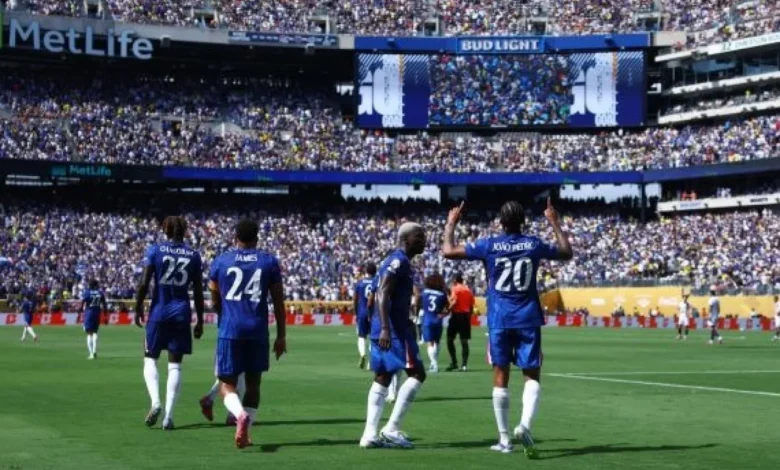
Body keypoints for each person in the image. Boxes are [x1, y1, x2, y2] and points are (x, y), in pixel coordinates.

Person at [443, 199, 572, 458]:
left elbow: (448, 250)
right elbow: (566, 252)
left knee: (500, 375)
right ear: (523, 221)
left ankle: (504, 440)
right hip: (528, 317)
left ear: (500, 222)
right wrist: (554, 222)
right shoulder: (533, 244)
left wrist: (450, 224)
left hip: (499, 318)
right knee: (532, 375)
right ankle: (524, 425)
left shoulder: (489, 245)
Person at [208, 219, 287, 449]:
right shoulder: (268, 261)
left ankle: (239, 414)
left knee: (227, 385)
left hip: (230, 328)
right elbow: (278, 302)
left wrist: (222, 313)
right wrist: (281, 335)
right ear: (257, 237)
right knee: (253, 385)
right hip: (257, 330)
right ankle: (246, 432)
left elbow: (214, 295)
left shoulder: (221, 261)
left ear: (235, 237)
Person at [359, 222, 427, 449]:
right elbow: (382, 292)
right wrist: (386, 328)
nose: (424, 240)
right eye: (419, 236)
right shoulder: (399, 261)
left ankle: (369, 434)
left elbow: (377, 293)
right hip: (394, 330)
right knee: (417, 373)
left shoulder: (393, 260)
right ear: (406, 240)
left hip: (386, 326)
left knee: (383, 376)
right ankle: (391, 428)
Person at [134, 216, 205, 431]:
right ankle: (169, 417)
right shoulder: (194, 255)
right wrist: (200, 319)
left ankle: (156, 402)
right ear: (185, 230)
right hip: (181, 313)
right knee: (175, 365)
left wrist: (138, 306)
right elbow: (198, 290)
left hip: (159, 311)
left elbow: (144, 282)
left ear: (165, 230)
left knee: (150, 359)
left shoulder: (155, 250)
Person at [420, 273, 449, 373]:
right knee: (437, 342)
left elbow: (419, 303)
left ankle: (434, 364)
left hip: (427, 320)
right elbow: (447, 307)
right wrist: (443, 314)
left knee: (430, 343)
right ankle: (434, 363)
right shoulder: (442, 294)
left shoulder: (424, 293)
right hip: (438, 320)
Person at [446, 272, 475, 372]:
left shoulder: (455, 289)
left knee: (450, 339)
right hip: (465, 317)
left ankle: (454, 362)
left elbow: (454, 301)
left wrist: (447, 310)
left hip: (456, 316)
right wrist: (468, 316)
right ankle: (464, 365)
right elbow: (471, 306)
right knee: (464, 341)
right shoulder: (468, 290)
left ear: (455, 280)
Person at [354, 263, 377, 370]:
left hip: (362, 312)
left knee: (361, 336)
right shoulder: (377, 282)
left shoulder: (360, 283)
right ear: (375, 272)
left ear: (366, 272)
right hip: (374, 313)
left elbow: (355, 299)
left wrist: (356, 311)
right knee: (374, 337)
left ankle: (362, 354)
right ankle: (371, 362)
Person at [81, 280, 107, 359]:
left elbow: (83, 301)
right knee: (95, 332)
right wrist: (105, 316)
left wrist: (79, 311)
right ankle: (95, 351)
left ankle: (91, 353)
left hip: (89, 313)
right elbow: (104, 305)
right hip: (97, 313)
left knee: (89, 333)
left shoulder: (87, 292)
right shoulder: (100, 293)